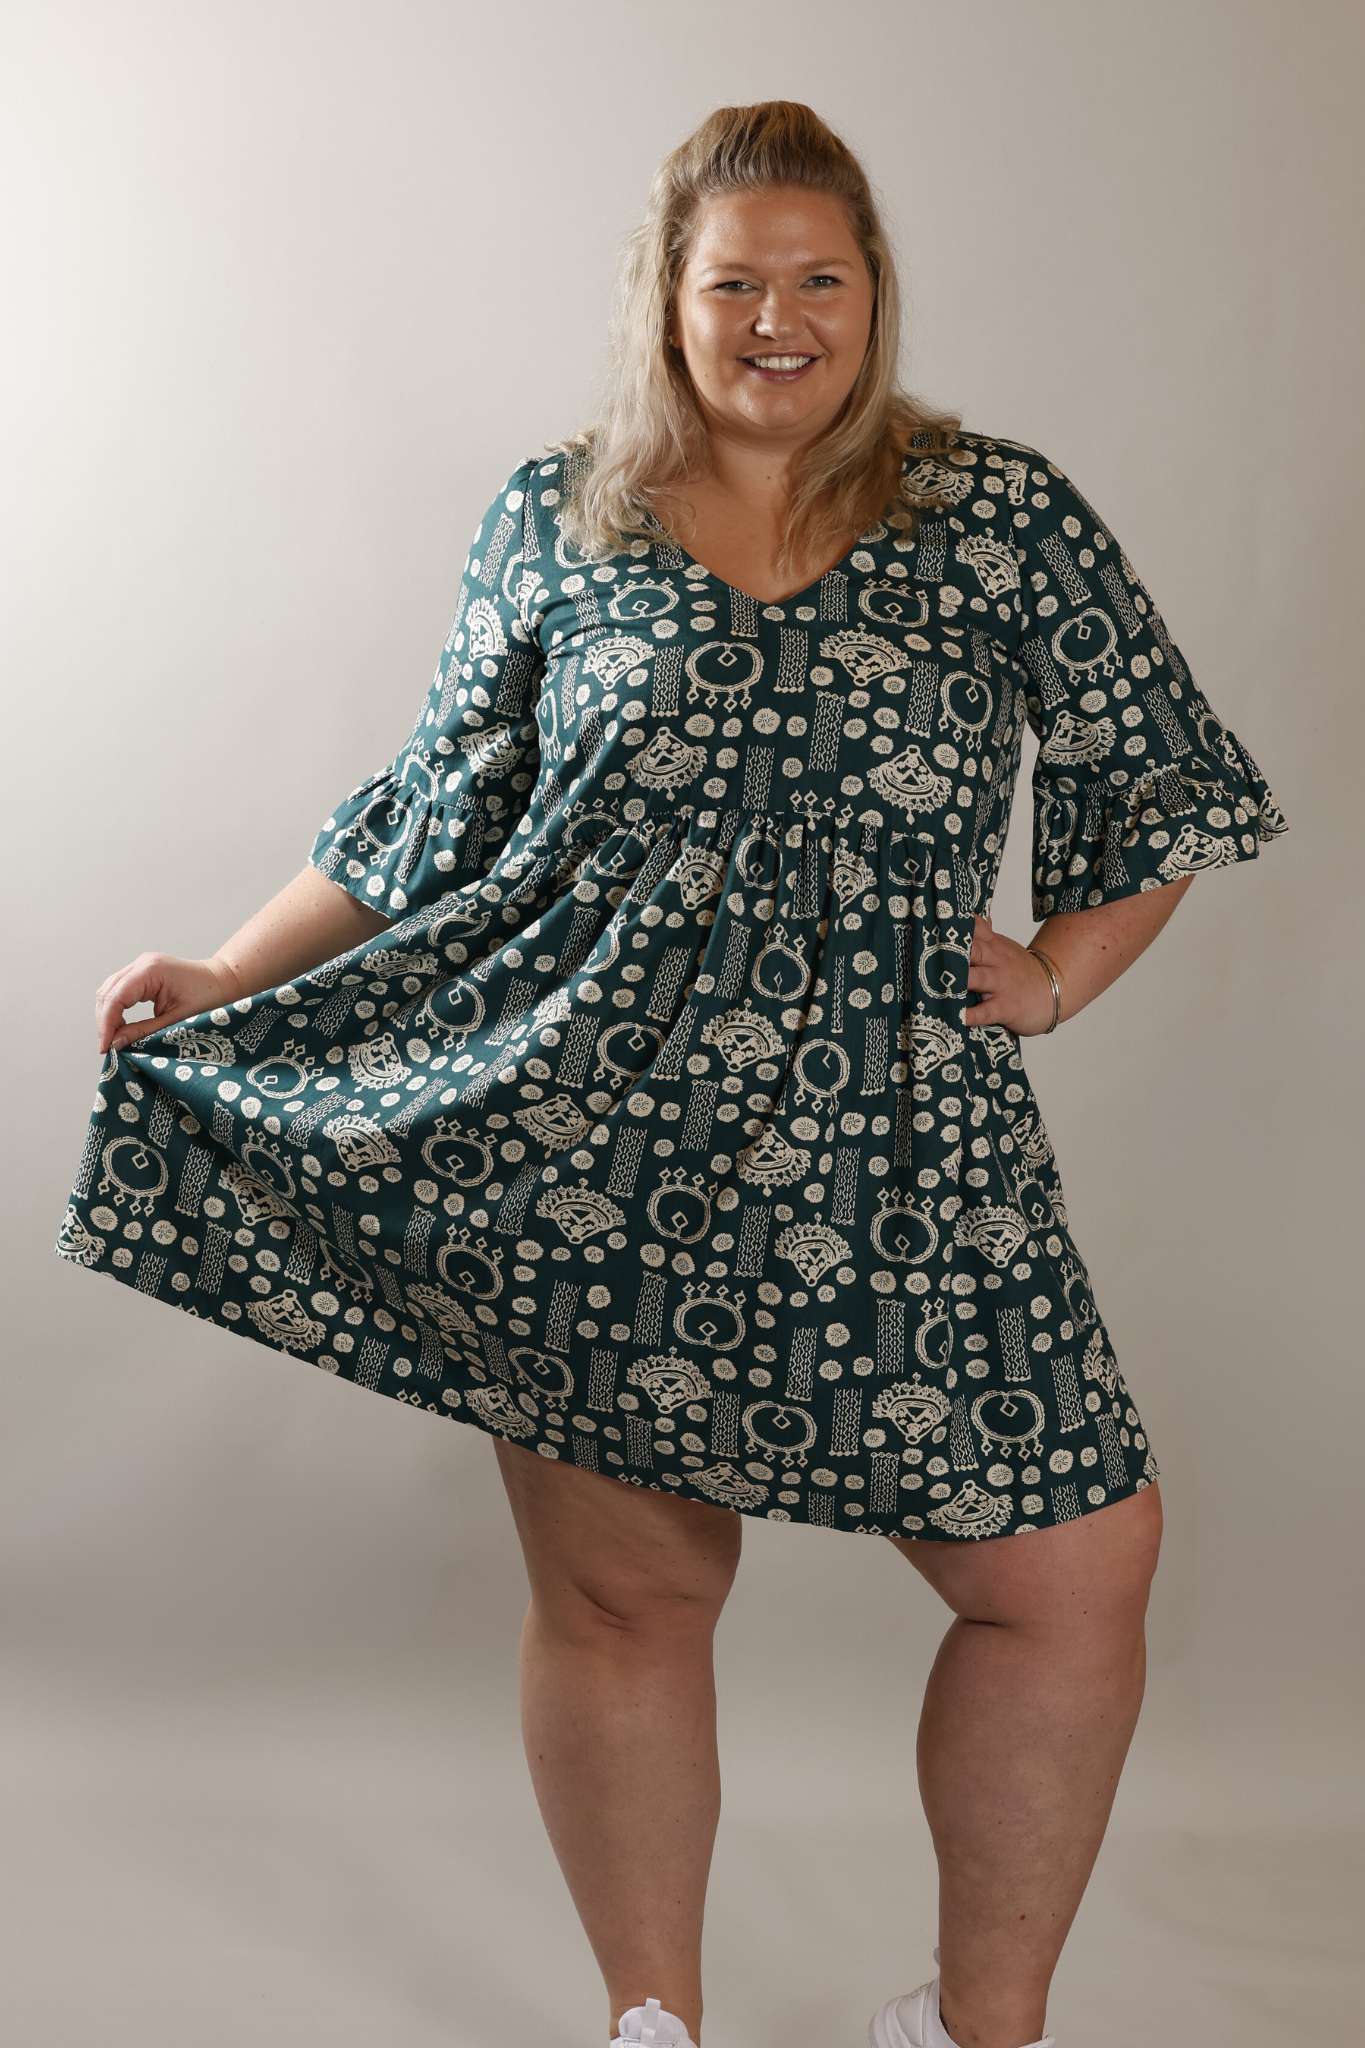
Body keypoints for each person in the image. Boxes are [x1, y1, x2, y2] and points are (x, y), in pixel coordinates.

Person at [55, 101, 1289, 2048]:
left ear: (873, 291)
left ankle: (971, 2031)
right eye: (734, 284)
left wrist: (1057, 970)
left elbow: (1157, 779)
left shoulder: (997, 515)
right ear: (668, 298)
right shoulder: (560, 513)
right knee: (632, 1600)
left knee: (1067, 1572)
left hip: (898, 1142)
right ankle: (653, 2023)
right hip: (584, 1141)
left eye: (817, 279)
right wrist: (227, 970)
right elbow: (436, 804)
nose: (776, 320)